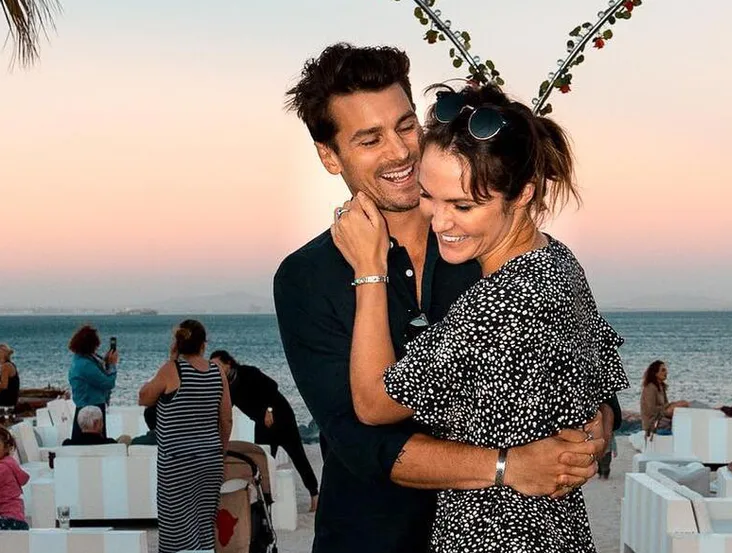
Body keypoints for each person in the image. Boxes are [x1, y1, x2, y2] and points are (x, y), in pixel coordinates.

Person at [276, 43, 617, 553]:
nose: (400, 152)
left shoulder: (484, 246)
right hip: (372, 540)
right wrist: (510, 466)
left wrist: (593, 432)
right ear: (330, 155)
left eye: (406, 126)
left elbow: (581, 374)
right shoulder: (306, 277)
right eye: (370, 139)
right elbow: (362, 440)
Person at [138, 320, 232, 553]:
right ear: (203, 344)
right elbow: (226, 419)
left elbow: (145, 398)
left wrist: (172, 360)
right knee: (204, 527)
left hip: (177, 462)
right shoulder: (217, 371)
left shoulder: (172, 369)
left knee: (177, 528)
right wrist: (221, 451)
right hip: (210, 460)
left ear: (178, 344)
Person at [210, 349, 320, 511]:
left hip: (281, 417)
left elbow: (271, 386)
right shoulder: (226, 387)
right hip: (262, 424)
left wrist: (269, 411)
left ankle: (314, 495)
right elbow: (226, 412)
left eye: (218, 365)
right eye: (212, 366)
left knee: (298, 455)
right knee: (261, 461)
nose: (215, 369)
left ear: (228, 364)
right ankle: (265, 501)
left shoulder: (248, 373)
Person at [67, 325, 117, 441]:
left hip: (86, 407)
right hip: (91, 409)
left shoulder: (81, 360)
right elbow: (108, 382)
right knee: (95, 444)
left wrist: (107, 362)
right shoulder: (85, 364)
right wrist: (113, 365)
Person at [640, 360, 690, 435]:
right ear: (655, 373)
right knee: (679, 406)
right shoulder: (650, 387)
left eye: (666, 370)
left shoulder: (661, 387)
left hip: (661, 415)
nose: (666, 373)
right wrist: (668, 408)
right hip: (653, 421)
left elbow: (665, 404)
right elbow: (651, 409)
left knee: (684, 403)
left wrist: (671, 405)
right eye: (663, 370)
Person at [0, 426, 29, 530]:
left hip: (7, 520)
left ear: (7, 448)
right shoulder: (10, 463)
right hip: (17, 519)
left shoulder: (3, 468)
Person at [0, 344, 20, 409]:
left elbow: (3, 386)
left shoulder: (5, 366)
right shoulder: (11, 364)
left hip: (7, 400)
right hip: (12, 399)